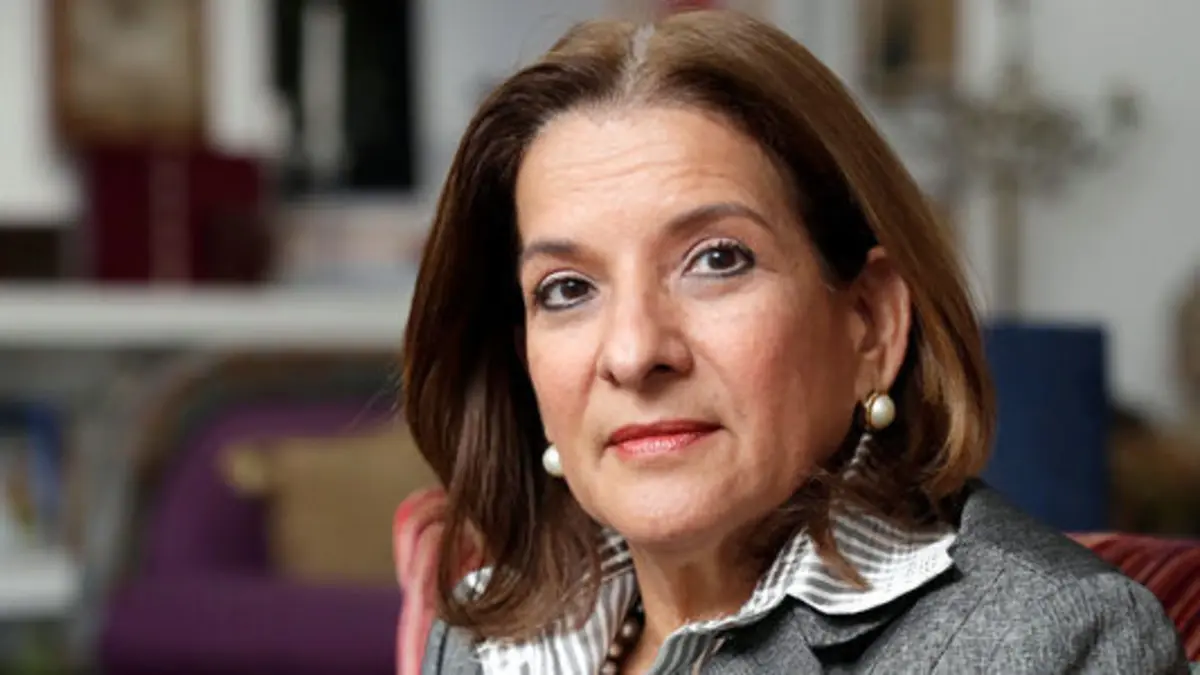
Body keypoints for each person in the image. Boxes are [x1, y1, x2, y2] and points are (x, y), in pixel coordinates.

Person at [402, 9, 1187, 674]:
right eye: (567, 289)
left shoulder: (1050, 642)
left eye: (717, 260)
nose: (635, 353)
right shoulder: (485, 639)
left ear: (870, 321)